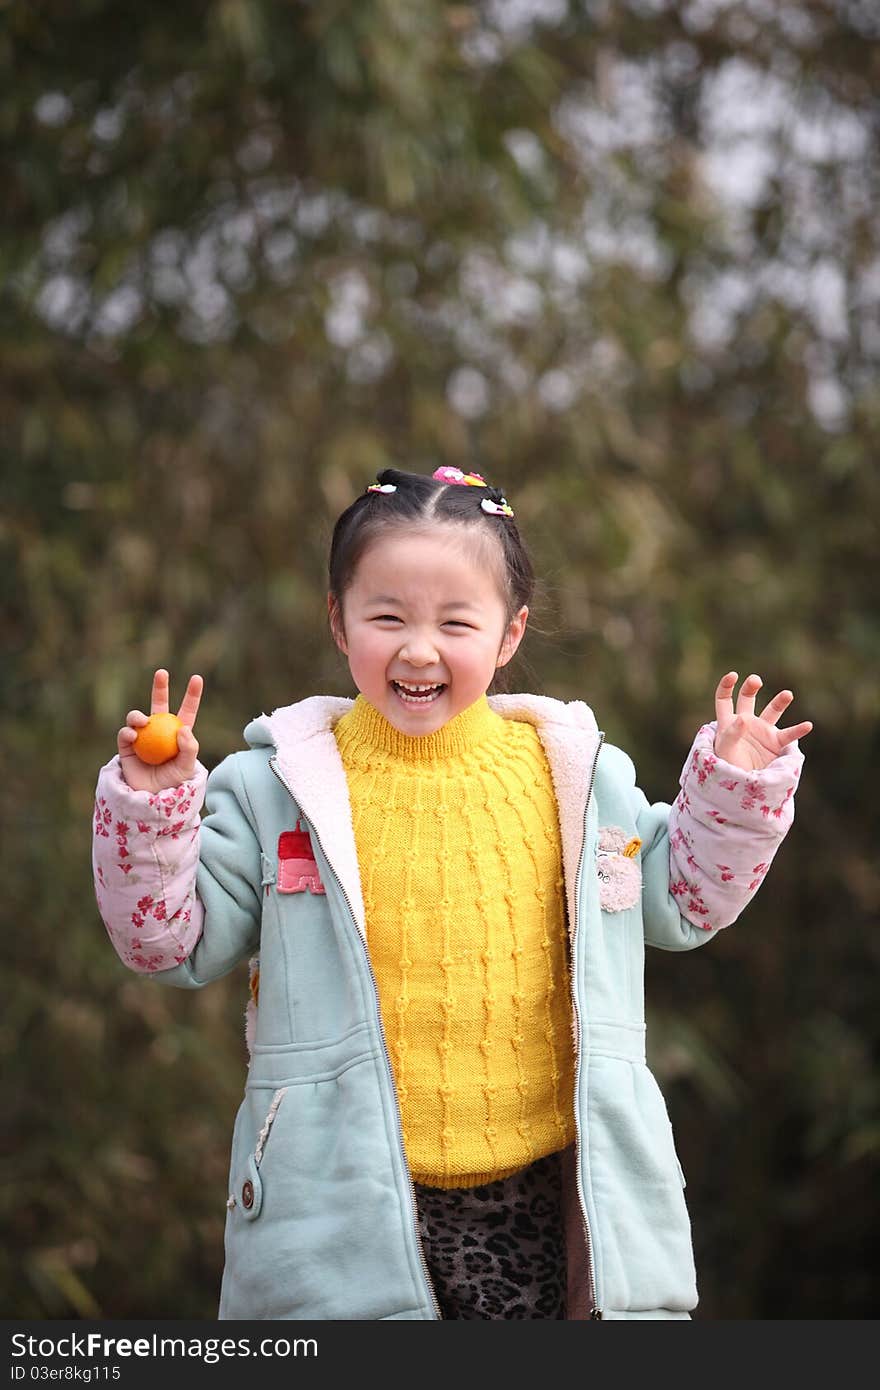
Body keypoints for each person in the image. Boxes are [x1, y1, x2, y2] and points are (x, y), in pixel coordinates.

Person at [92, 466, 811, 1321]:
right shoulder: (273, 789)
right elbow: (168, 943)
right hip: (338, 1209)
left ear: (510, 635)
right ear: (338, 620)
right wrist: (152, 805)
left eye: (456, 622)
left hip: (551, 1204)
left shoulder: (576, 778)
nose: (419, 648)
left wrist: (733, 788)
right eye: (387, 616)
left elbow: (683, 902)